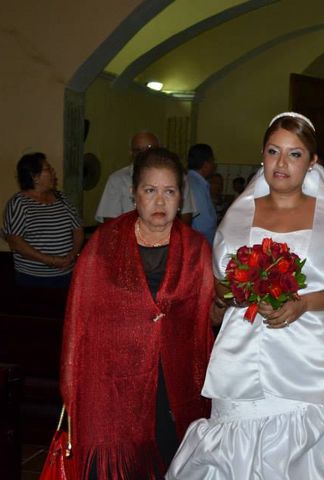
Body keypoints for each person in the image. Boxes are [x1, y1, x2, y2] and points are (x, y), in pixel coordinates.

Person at [167, 112, 324, 479]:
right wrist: (236, 291)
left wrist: (304, 303)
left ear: (312, 162)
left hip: (307, 355)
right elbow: (220, 283)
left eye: (295, 154)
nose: (282, 163)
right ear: (262, 155)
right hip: (243, 351)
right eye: (274, 151)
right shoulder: (239, 214)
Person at [60, 148, 214, 479]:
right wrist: (73, 385)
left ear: (181, 197)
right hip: (113, 383)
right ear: (133, 194)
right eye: (150, 191)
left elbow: (205, 322)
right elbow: (80, 321)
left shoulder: (197, 249)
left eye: (169, 192)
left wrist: (236, 299)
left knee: (169, 457)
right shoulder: (103, 244)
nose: (160, 202)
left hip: (173, 381)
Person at [2, 152, 83, 288]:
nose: (53, 172)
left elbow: (78, 229)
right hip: (34, 279)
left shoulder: (62, 198)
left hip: (67, 273)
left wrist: (72, 255)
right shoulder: (19, 203)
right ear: (35, 177)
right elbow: (15, 242)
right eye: (48, 169)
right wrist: (51, 260)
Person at [95, 131, 196, 224]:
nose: (145, 153)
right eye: (138, 150)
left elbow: (186, 215)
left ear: (160, 148)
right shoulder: (117, 179)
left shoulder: (178, 176)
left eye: (149, 148)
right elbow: (110, 221)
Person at [187, 143, 217, 244]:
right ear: (206, 165)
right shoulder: (196, 186)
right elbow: (205, 224)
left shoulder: (191, 180)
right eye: (213, 161)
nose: (214, 165)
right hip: (201, 243)